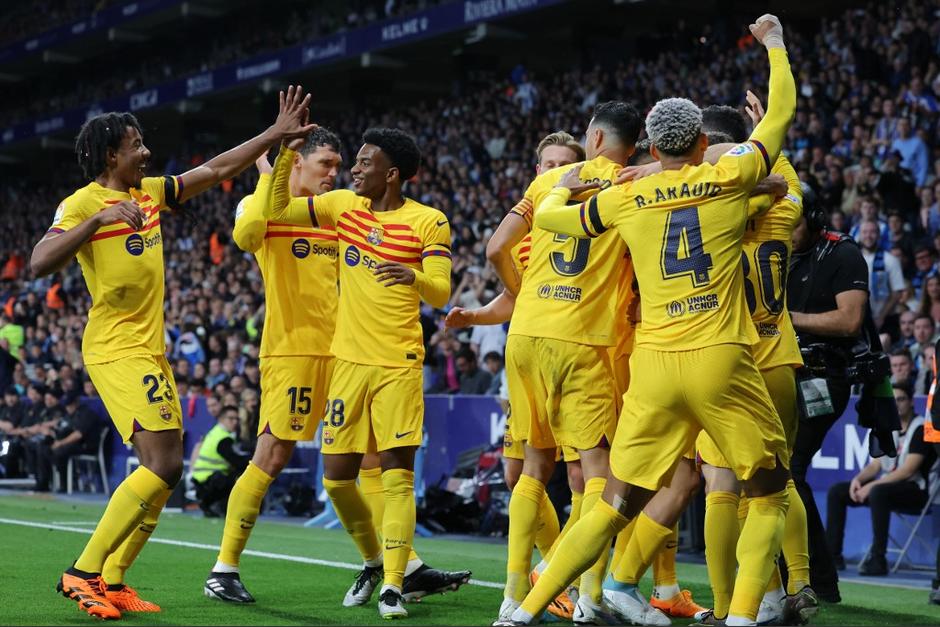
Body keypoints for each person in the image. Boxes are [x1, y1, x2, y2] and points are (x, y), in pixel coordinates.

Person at [501, 15, 796, 627]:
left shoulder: (624, 196)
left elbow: (553, 220)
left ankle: (522, 613)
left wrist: (562, 184)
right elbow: (779, 118)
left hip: (655, 366)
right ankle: (741, 617)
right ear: (698, 145)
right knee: (764, 490)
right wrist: (773, 45)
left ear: (652, 149)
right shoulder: (730, 176)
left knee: (611, 502)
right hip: (721, 357)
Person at [29, 84, 314, 619]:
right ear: (112, 154)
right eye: (136, 145)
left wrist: (273, 136)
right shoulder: (82, 203)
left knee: (168, 467)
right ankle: (84, 571)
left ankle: (113, 580)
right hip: (115, 348)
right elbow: (40, 262)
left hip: (148, 349)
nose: (146, 153)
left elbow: (214, 170)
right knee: (162, 463)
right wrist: (96, 223)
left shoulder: (149, 194)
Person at [268, 127, 453, 619]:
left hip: (399, 363)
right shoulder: (341, 207)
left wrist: (412, 275)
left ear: (390, 174)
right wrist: (286, 153)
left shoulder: (429, 221)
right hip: (348, 363)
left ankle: (394, 584)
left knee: (396, 478)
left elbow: (439, 291)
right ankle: (374, 561)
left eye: (365, 163)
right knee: (337, 479)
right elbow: (280, 209)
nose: (354, 169)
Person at [487, 101, 642, 625]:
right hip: (584, 341)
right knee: (597, 472)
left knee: (534, 465)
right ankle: (589, 595)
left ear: (594, 137)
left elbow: (495, 248)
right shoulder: (633, 188)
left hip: (526, 334)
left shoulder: (552, 181)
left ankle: (514, 589)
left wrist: (523, 293)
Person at [688, 94, 814, 626]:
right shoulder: (785, 209)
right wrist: (765, 124)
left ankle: (726, 605)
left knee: (723, 486)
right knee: (777, 480)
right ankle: (797, 583)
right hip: (779, 356)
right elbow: (781, 173)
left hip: (724, 360)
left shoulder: (702, 211)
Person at [787, 180, 871, 604]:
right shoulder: (778, 250)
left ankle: (818, 580)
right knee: (779, 473)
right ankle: (805, 578)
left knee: (789, 470)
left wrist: (789, 319)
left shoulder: (843, 253)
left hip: (824, 376)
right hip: (784, 373)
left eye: (794, 221)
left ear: (816, 218)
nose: (786, 228)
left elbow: (849, 321)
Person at [826, 383, 936, 576]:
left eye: (901, 399)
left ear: (911, 402)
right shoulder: (887, 428)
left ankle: (878, 559)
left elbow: (908, 470)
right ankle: (832, 557)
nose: (896, 404)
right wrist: (858, 480)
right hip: (886, 488)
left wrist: (872, 486)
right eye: (892, 400)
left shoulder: (920, 429)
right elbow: (876, 465)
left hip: (915, 491)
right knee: (837, 491)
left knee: (877, 492)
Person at [31, 389, 102, 494]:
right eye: (67, 405)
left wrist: (60, 443)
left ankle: (64, 484)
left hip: (85, 445)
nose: (68, 407)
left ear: (76, 402)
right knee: (43, 447)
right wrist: (51, 433)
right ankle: (43, 483)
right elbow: (61, 428)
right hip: (70, 444)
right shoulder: (69, 415)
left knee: (60, 452)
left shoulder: (86, 414)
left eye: (70, 404)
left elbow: (78, 434)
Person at [191, 405, 251, 517]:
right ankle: (218, 506)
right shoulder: (223, 439)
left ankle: (213, 505)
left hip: (202, 479)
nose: (235, 422)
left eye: (237, 419)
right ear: (221, 419)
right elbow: (237, 462)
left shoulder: (215, 432)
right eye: (231, 418)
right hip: (210, 481)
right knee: (242, 476)